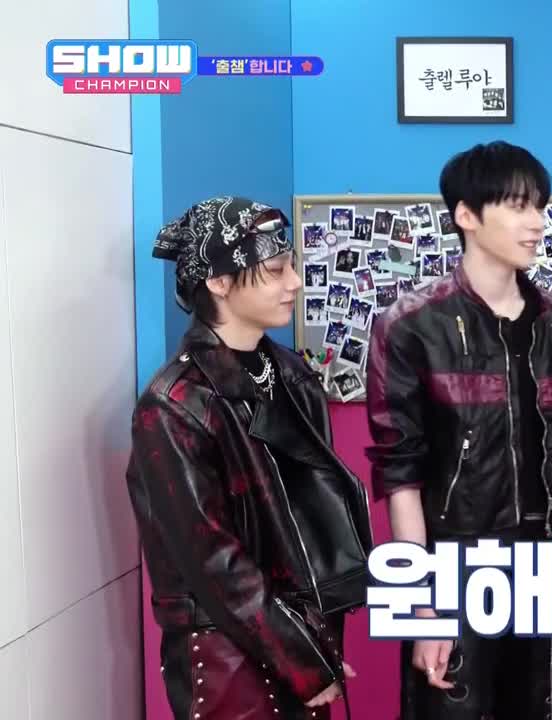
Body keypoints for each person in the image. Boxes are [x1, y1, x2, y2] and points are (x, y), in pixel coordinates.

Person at [365, 141, 552, 720]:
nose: (536, 222)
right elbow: (400, 472)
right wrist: (421, 605)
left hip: (543, 555)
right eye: (517, 206)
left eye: (539, 206)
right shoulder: (410, 325)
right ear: (466, 215)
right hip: (451, 559)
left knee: (546, 709)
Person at [126, 196, 375, 719]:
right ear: (219, 281)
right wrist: (300, 657)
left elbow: (307, 524)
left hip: (299, 635)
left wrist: (314, 643)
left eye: (293, 267)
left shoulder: (291, 375)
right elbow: (211, 560)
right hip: (228, 658)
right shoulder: (175, 404)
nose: (295, 283)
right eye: (277, 270)